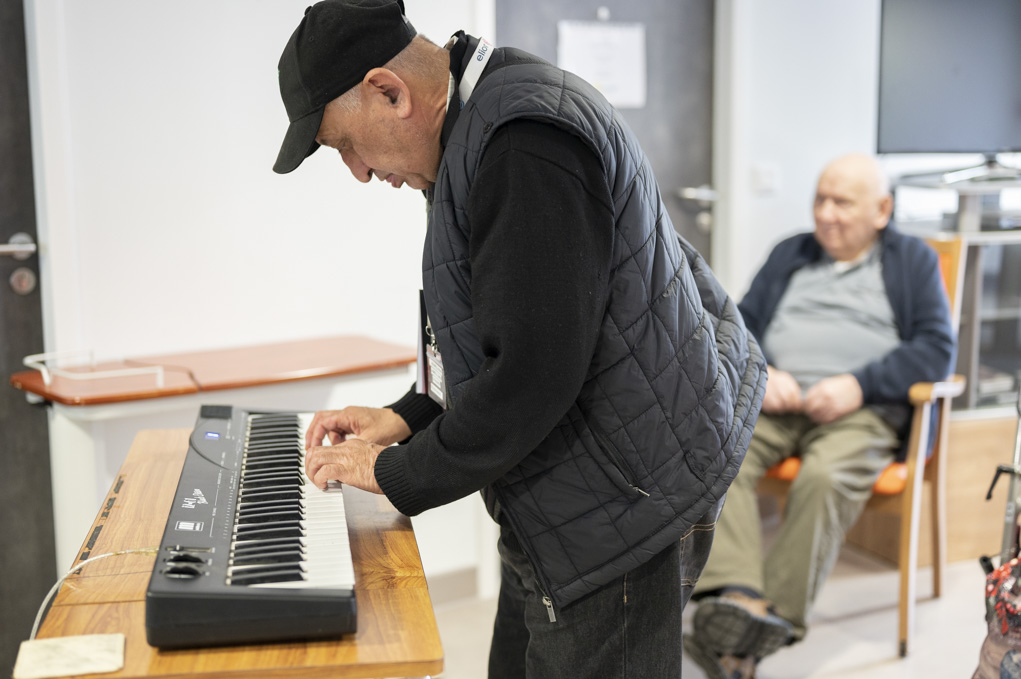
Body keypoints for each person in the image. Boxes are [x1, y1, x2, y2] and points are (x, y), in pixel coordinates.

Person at [271, 1, 766, 677]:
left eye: (344, 145)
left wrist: (392, 472)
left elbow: (533, 373)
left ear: (389, 91)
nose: (357, 172)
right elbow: (497, 332)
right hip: (579, 486)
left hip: (622, 500)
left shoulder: (522, 141)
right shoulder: (481, 123)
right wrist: (406, 417)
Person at [684, 153, 956, 679]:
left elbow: (935, 348)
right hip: (782, 403)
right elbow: (738, 327)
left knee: (825, 477)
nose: (826, 214)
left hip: (861, 412)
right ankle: (739, 596)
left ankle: (769, 620)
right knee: (717, 453)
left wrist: (859, 384)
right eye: (820, 199)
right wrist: (768, 371)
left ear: (882, 210)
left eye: (842, 203)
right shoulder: (792, 252)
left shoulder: (912, 261)